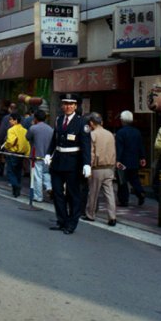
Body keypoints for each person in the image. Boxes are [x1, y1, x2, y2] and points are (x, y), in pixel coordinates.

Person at [45, 93, 91, 234]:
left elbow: (86, 145)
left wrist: (86, 163)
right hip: (58, 161)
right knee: (57, 193)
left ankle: (71, 223)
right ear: (62, 105)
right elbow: (55, 139)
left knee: (73, 194)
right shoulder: (59, 120)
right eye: (65, 104)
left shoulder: (82, 122)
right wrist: (48, 153)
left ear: (76, 106)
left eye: (71, 104)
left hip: (73, 162)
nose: (68, 106)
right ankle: (61, 221)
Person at [82, 112, 117, 226]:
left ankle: (90, 214)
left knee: (93, 193)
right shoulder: (110, 134)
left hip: (97, 168)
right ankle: (112, 217)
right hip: (109, 167)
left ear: (91, 123)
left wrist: (88, 167)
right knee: (109, 193)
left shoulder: (93, 134)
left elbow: (91, 153)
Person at [115, 110, 146, 206]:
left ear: (122, 120)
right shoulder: (137, 132)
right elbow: (141, 145)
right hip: (134, 160)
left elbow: (119, 148)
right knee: (134, 179)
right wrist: (142, 157)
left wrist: (117, 160)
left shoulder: (120, 132)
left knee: (122, 180)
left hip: (123, 162)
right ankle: (140, 192)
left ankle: (124, 200)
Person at [26, 109, 53, 202]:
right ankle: (49, 187)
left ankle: (38, 196)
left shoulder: (33, 128)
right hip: (48, 156)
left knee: (37, 176)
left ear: (35, 118)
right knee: (46, 173)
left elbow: (27, 137)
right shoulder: (50, 129)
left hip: (36, 155)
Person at [3, 112, 30, 198]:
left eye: (11, 119)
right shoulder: (25, 130)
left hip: (12, 152)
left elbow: (10, 141)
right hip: (21, 153)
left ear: (15, 121)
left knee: (10, 171)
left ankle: (16, 186)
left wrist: (6, 145)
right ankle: (16, 191)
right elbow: (27, 144)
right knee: (18, 172)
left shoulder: (11, 130)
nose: (9, 121)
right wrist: (27, 153)